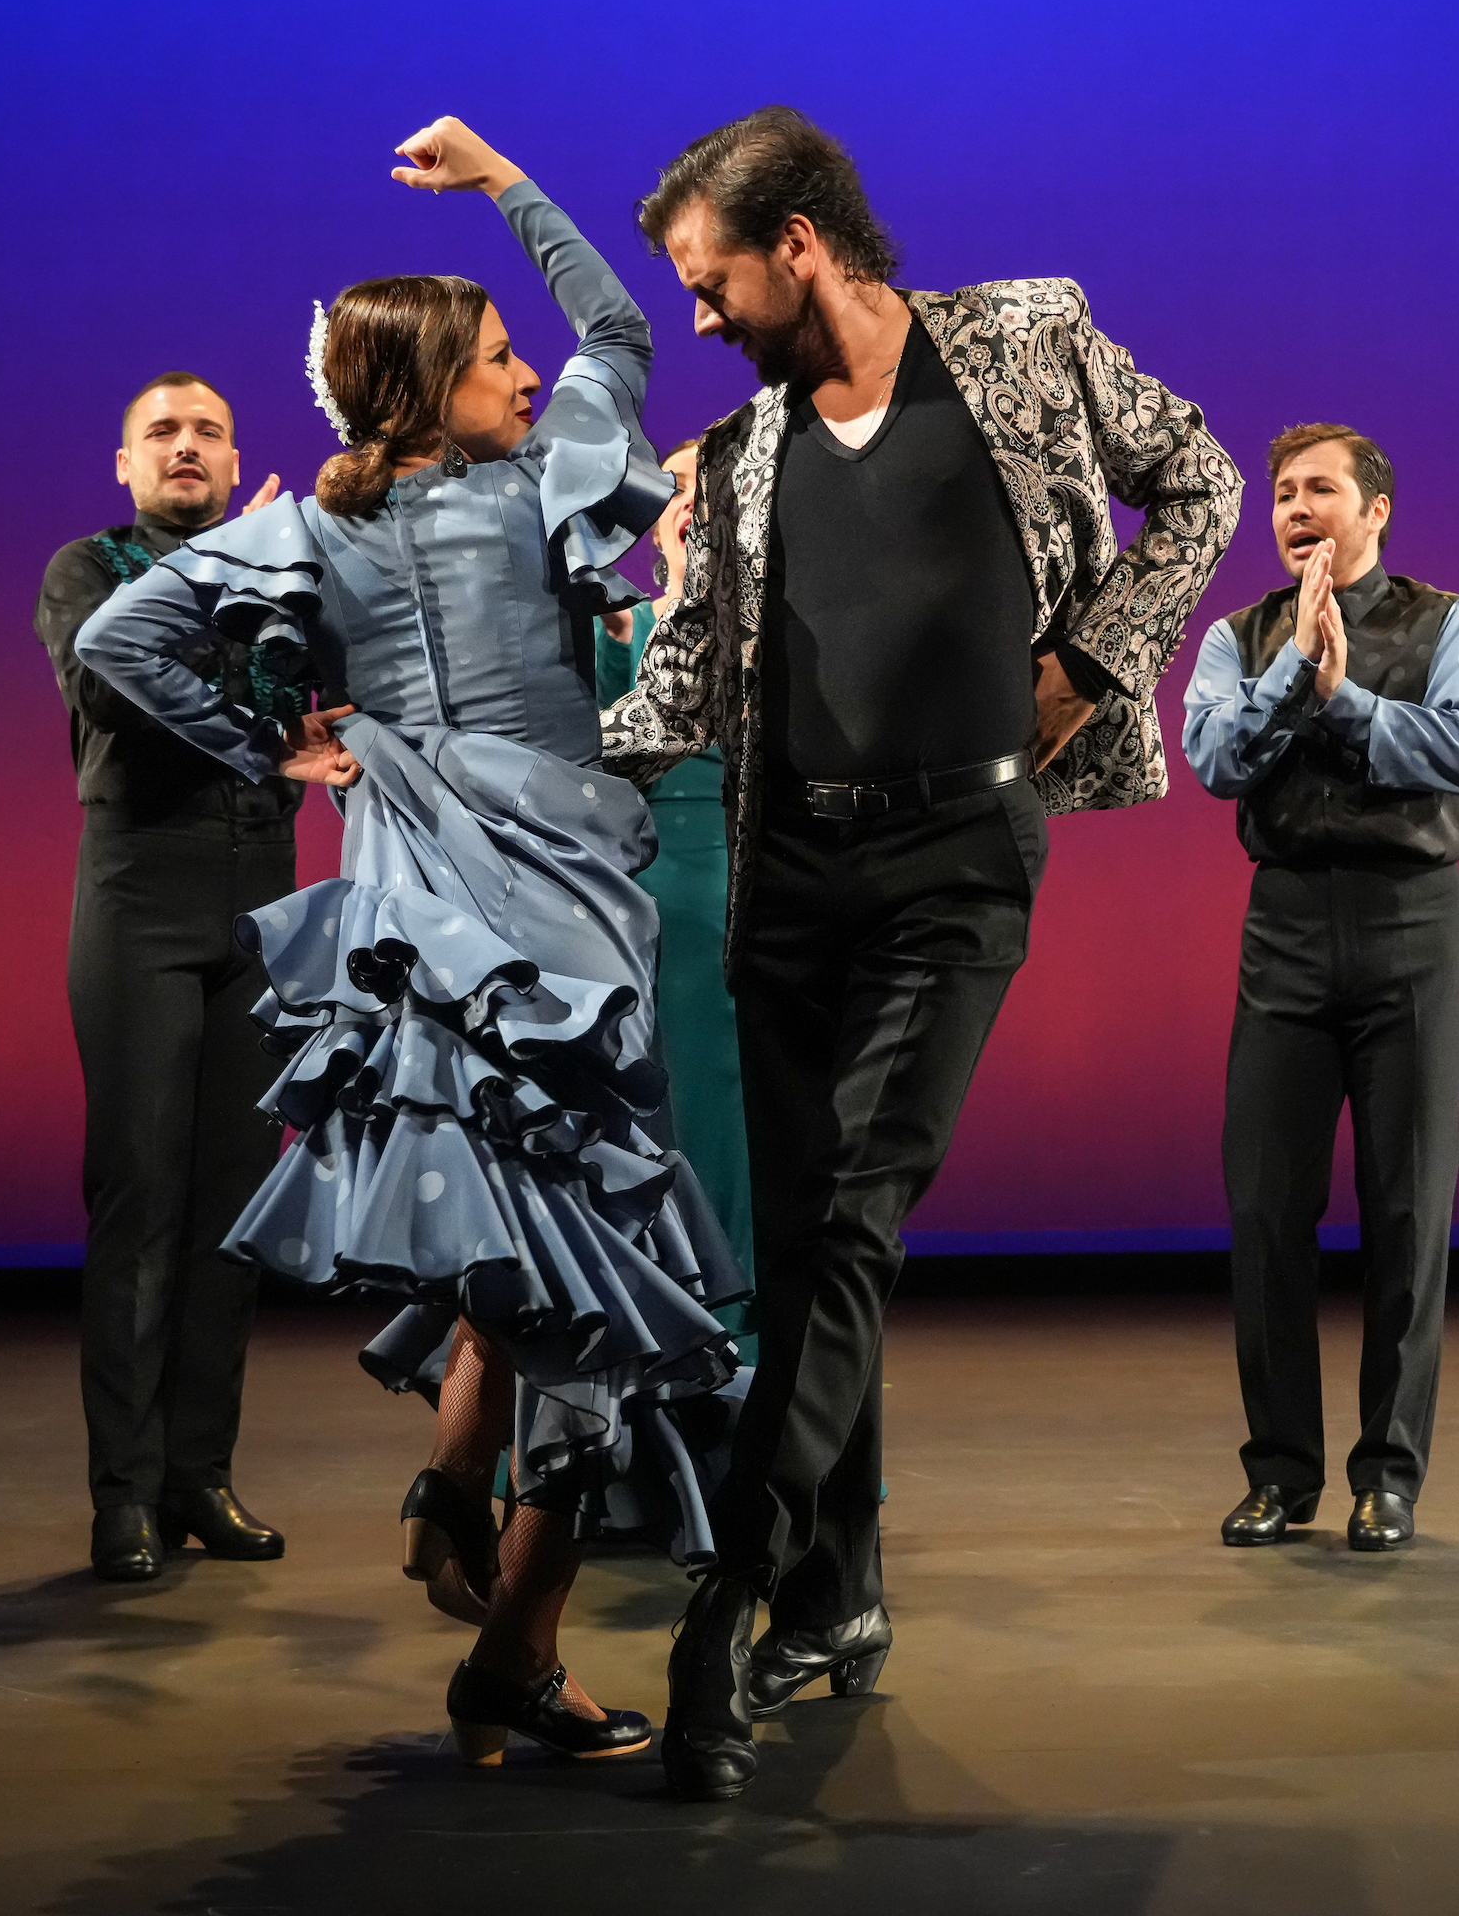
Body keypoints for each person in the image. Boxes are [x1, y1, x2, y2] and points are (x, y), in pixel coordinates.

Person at [76, 118, 742, 1764]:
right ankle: (511, 1646)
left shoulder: (313, 528)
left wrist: (287, 739)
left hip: (416, 911)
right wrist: (513, 185)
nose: (527, 377)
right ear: (432, 379)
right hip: (558, 903)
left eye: (516, 355)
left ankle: (458, 1493)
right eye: (494, 357)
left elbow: (122, 634)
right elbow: (626, 331)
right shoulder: (537, 490)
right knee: (605, 1277)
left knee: (517, 1246)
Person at [603, 105, 1243, 1800]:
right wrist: (480, 745)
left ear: (797, 243)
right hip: (787, 869)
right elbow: (673, 694)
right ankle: (839, 1586)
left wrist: (1098, 660)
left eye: (709, 277)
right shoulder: (741, 464)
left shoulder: (1021, 345)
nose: (702, 315)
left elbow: (1201, 476)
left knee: (859, 1214)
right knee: (811, 1240)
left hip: (959, 854)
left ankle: (727, 1602)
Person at [1181, 424, 1459, 1556]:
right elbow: (1215, 757)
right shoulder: (1237, 635)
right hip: (1286, 925)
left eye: (1320, 489)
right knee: (1267, 1210)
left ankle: (1390, 1476)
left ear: (1377, 510)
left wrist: (1347, 696)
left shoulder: (1447, 621)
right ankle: (1279, 1472)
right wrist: (1293, 674)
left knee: (1407, 1210)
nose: (1296, 508)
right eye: (1281, 494)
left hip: (1411, 918)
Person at [35, 374, 295, 1579]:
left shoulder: (281, 567)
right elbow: (111, 690)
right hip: (140, 895)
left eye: (208, 434)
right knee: (140, 1195)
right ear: (125, 465)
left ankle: (200, 1474)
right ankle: (123, 1493)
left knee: (233, 1207)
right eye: (162, 433)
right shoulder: (86, 570)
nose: (186, 447)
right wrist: (231, 576)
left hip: (258, 903)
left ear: (235, 464)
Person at [595, 440, 756, 1359]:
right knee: (642, 1149)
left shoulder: (792, 639)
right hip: (636, 924)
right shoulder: (614, 629)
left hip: (765, 915)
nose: (695, 502)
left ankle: (746, 1393)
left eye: (721, 486)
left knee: (746, 1159)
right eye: (681, 486)